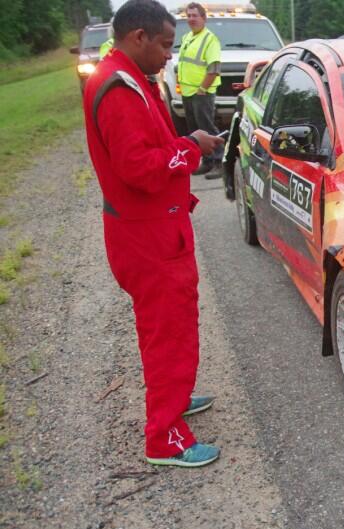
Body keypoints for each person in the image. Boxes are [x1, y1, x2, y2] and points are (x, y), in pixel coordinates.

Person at [83, 0, 224, 467]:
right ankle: (164, 437)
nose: (171, 54)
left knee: (170, 325)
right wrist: (190, 148)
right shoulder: (119, 88)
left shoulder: (131, 79)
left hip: (153, 229)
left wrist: (183, 145)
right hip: (148, 237)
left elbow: (151, 144)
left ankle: (175, 398)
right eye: (165, 44)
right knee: (168, 332)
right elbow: (137, 167)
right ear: (137, 37)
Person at [177, 2, 223, 179]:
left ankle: (219, 162)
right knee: (195, 129)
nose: (191, 19)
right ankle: (208, 161)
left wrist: (203, 88)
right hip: (188, 92)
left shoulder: (210, 39)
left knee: (207, 127)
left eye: (195, 15)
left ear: (203, 18)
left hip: (202, 92)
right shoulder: (188, 37)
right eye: (188, 16)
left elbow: (214, 68)